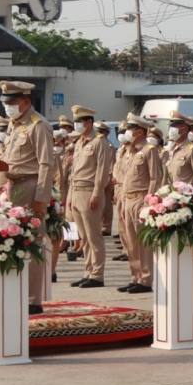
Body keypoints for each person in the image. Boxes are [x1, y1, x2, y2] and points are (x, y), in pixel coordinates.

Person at [0, 80, 54, 314]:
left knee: (33, 242)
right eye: (6, 103)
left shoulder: (38, 125)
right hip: (11, 187)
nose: (7, 107)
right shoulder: (14, 124)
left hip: (29, 187)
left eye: (12, 103)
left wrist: (41, 197)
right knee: (12, 241)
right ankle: (15, 290)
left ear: (26, 101)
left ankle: (33, 299)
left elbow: (46, 164)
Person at [111, 113, 164, 294]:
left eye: (130, 129)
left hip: (141, 198)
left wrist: (149, 202)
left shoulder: (149, 150)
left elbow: (154, 178)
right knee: (130, 241)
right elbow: (125, 176)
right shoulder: (128, 150)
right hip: (127, 198)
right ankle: (135, 276)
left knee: (143, 242)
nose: (127, 132)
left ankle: (146, 279)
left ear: (140, 132)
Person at [61, 106, 112, 288]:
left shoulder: (99, 142)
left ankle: (97, 275)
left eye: (79, 122)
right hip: (76, 191)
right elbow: (75, 171)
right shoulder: (79, 142)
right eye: (75, 122)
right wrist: (69, 196)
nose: (76, 125)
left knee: (93, 236)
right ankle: (88, 271)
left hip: (90, 191)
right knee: (83, 237)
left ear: (89, 122)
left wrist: (97, 192)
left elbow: (102, 170)